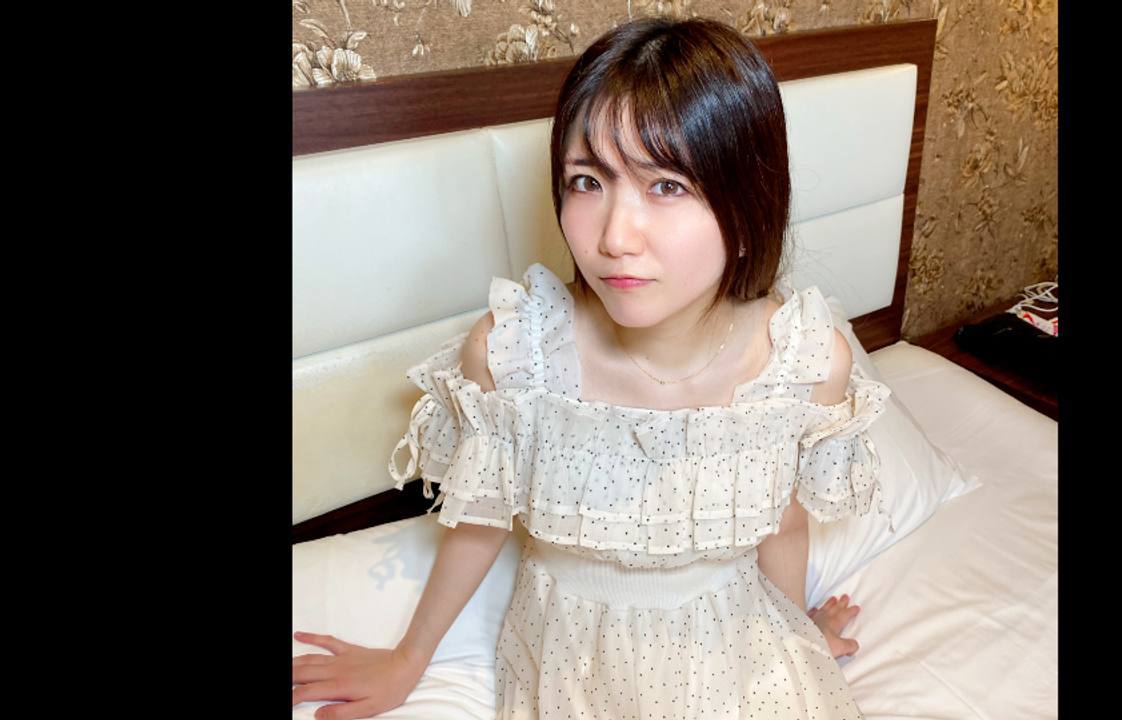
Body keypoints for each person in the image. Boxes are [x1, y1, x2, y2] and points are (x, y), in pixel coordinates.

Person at [292, 15, 894, 720]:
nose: (613, 237)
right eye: (587, 181)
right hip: (571, 658)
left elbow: (783, 525)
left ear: (749, 204)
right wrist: (408, 659)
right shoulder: (515, 356)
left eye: (667, 186)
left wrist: (796, 633)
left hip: (732, 641)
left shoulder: (803, 364)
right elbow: (482, 519)